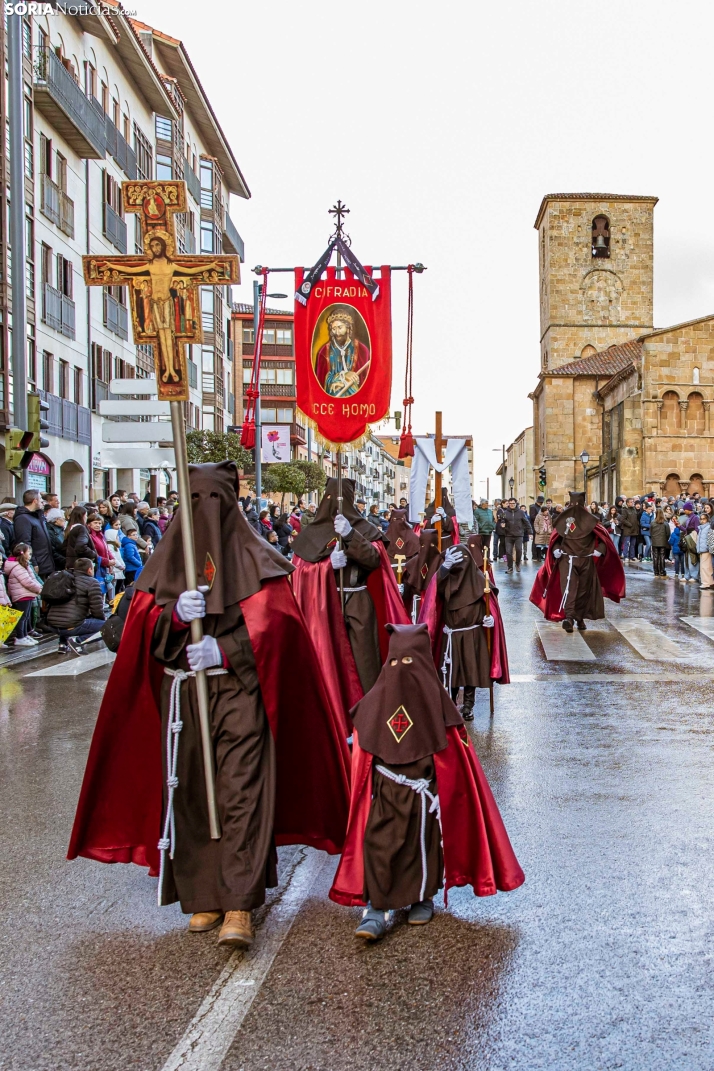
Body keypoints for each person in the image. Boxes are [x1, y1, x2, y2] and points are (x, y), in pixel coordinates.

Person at [68, 461, 350, 949]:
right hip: (184, 696)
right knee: (193, 794)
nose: (206, 511)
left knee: (242, 790)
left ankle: (239, 901)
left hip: (239, 690)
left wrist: (227, 649)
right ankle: (204, 894)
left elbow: (280, 631)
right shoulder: (165, 564)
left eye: (215, 500)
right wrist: (175, 617)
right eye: (196, 501)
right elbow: (139, 634)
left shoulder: (259, 561)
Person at [329, 623, 525, 940]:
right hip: (385, 794)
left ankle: (422, 897)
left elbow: (457, 767)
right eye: (395, 662)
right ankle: (376, 908)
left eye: (409, 662)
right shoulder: (375, 704)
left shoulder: (439, 708)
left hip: (424, 798)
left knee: (423, 847)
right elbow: (362, 748)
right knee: (379, 844)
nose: (401, 670)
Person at [291, 478, 409, 729]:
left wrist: (350, 535)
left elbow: (374, 560)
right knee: (330, 661)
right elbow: (298, 573)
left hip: (358, 601)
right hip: (325, 605)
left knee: (366, 663)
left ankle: (369, 719)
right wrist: (326, 567)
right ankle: (335, 720)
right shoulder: (310, 533)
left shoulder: (364, 529)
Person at [424, 543, 508, 720]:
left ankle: (468, 705)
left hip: (472, 634)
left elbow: (491, 605)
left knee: (471, 672)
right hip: (451, 634)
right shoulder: (447, 580)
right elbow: (434, 592)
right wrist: (443, 569)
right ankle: (451, 702)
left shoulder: (480, 581)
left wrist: (491, 619)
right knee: (451, 671)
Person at [530, 492, 625, 633]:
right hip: (567, 560)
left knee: (583, 590)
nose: (575, 507)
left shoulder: (591, 521)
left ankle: (579, 617)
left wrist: (600, 550)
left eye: (578, 504)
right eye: (573, 504)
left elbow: (604, 539)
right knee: (569, 588)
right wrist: (555, 549)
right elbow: (556, 539)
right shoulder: (563, 520)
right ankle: (569, 618)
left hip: (586, 560)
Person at [46, 557, 106, 654]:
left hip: (52, 624)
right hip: (70, 625)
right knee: (108, 626)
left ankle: (63, 645)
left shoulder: (64, 578)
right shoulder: (92, 582)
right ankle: (78, 641)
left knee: (67, 614)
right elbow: (97, 609)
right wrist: (101, 621)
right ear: (89, 570)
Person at [4, 543, 43, 646]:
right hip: (21, 595)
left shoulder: (24, 564)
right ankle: (20, 637)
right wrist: (39, 589)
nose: (30, 555)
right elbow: (27, 582)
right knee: (22, 617)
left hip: (27, 594)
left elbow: (32, 579)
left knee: (26, 616)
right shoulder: (18, 567)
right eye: (29, 553)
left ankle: (24, 635)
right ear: (23, 554)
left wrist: (39, 587)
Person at [13, 489, 55, 580]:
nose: (43, 502)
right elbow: (24, 543)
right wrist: (33, 563)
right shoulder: (23, 518)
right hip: (37, 565)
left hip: (45, 563)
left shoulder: (37, 516)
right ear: (35, 501)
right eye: (40, 499)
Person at [499, 498, 532, 574]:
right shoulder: (504, 512)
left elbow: (526, 522)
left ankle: (517, 564)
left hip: (519, 535)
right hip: (508, 535)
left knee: (519, 550)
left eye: (513, 503)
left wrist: (530, 532)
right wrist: (502, 525)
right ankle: (510, 567)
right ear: (508, 504)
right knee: (508, 552)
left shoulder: (521, 512)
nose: (512, 505)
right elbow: (502, 521)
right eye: (510, 503)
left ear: (516, 503)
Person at [64, 506, 97, 571]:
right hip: (82, 565)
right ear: (82, 516)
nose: (87, 518)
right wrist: (93, 554)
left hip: (72, 565)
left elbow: (64, 548)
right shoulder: (81, 528)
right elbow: (81, 547)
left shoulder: (69, 528)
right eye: (86, 515)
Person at [650, 509, 670, 578]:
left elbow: (651, 532)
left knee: (655, 557)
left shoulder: (652, 522)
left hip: (655, 541)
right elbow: (668, 533)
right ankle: (662, 571)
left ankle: (656, 571)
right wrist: (665, 539)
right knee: (662, 556)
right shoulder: (665, 523)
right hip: (663, 541)